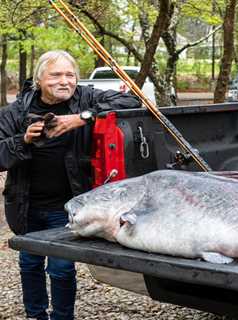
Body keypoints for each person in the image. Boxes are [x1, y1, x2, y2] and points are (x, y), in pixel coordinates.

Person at [0, 50, 140, 320]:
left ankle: (63, 317)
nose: (65, 81)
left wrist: (83, 117)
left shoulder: (86, 98)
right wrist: (24, 140)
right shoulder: (16, 111)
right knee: (29, 263)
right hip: (26, 204)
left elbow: (131, 100)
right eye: (55, 75)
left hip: (68, 204)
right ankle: (35, 315)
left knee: (62, 267)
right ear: (39, 79)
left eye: (70, 74)